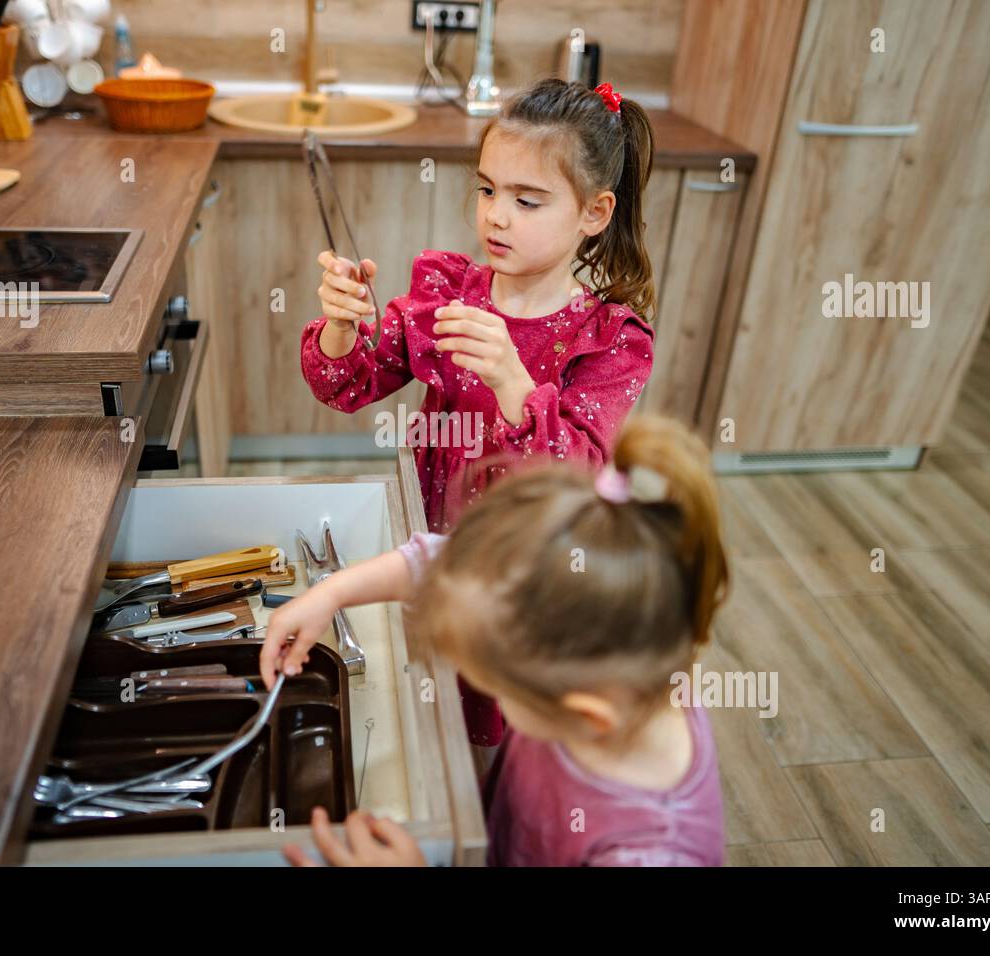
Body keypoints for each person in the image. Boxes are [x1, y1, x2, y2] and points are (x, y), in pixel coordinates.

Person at [301, 78, 660, 748]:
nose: (496, 215)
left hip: (531, 575)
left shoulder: (610, 338)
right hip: (436, 547)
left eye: (528, 201)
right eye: (488, 189)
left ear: (594, 212)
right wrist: (342, 328)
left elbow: (580, 474)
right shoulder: (448, 294)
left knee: (501, 729)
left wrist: (514, 382)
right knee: (436, 708)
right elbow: (345, 385)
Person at [260, 415, 730, 866]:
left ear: (587, 714)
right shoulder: (615, 669)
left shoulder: (650, 853)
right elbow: (451, 568)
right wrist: (331, 592)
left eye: (501, 689)